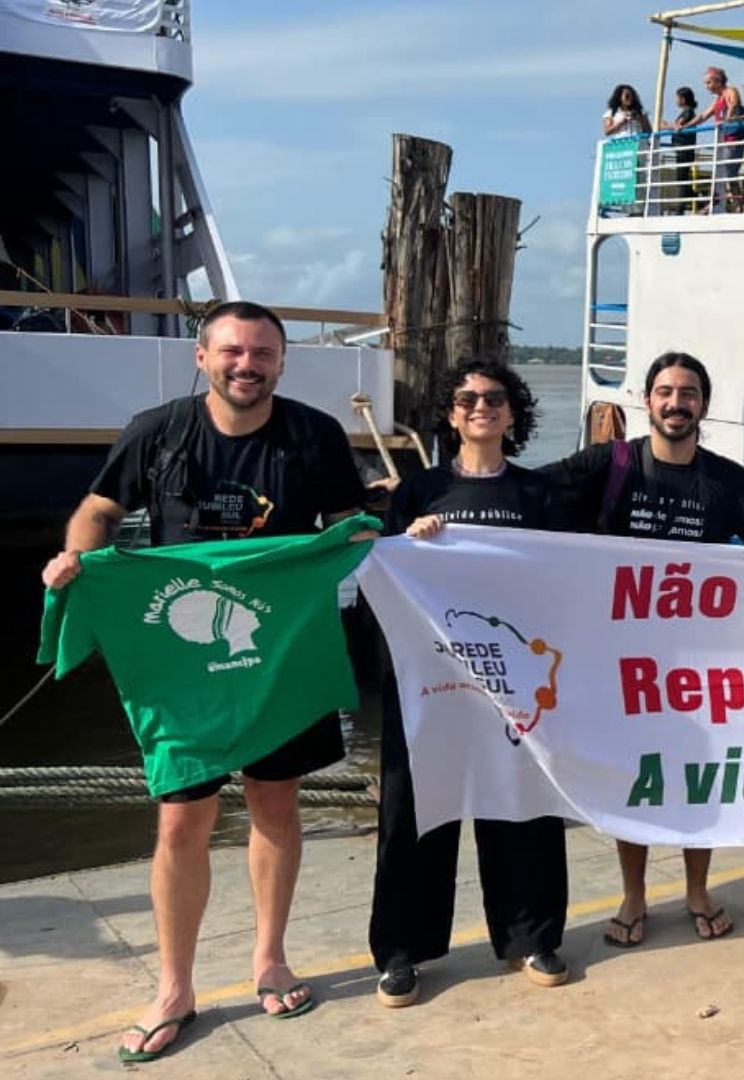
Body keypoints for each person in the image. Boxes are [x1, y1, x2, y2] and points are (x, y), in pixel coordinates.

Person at [40, 301, 371, 1062]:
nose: (246, 365)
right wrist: (76, 561)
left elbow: (348, 525)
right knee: (180, 821)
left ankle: (270, 959)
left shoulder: (314, 435)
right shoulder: (157, 432)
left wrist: (370, 536)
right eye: (232, 351)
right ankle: (174, 987)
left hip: (278, 653)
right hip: (182, 659)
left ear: (281, 362)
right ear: (203, 358)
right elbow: (98, 509)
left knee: (275, 803)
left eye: (263, 353)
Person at [541, 352, 744, 949]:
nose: (676, 403)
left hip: (699, 662)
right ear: (647, 400)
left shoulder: (727, 482)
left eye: (688, 393)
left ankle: (697, 890)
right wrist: (432, 507)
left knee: (699, 775)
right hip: (623, 660)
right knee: (635, 775)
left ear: (704, 405)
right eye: (666, 391)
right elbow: (526, 494)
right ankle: (634, 895)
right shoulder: (609, 464)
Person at [369, 361, 571, 1008]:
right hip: (432, 679)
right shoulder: (419, 491)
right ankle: (402, 951)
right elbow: (384, 574)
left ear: (512, 414)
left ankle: (530, 937)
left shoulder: (539, 495)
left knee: (523, 804)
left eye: (494, 398)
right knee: (414, 811)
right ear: (451, 414)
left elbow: (565, 576)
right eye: (467, 398)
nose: (481, 406)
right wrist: (411, 541)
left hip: (513, 681)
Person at [686, 67, 744, 213]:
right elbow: (703, 116)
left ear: (718, 81)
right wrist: (685, 126)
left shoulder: (730, 91)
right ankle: (724, 202)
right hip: (723, 140)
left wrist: (726, 119)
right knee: (723, 173)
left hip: (732, 139)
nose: (707, 86)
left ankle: (737, 204)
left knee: (729, 172)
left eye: (709, 82)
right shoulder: (718, 99)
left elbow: (734, 104)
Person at [667, 86, 699, 214]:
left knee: (681, 178)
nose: (676, 100)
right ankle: (696, 198)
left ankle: (681, 208)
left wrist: (665, 126)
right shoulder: (687, 111)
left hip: (684, 149)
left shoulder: (688, 111)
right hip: (682, 149)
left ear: (683, 99)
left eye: (677, 98)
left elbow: (679, 126)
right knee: (682, 178)